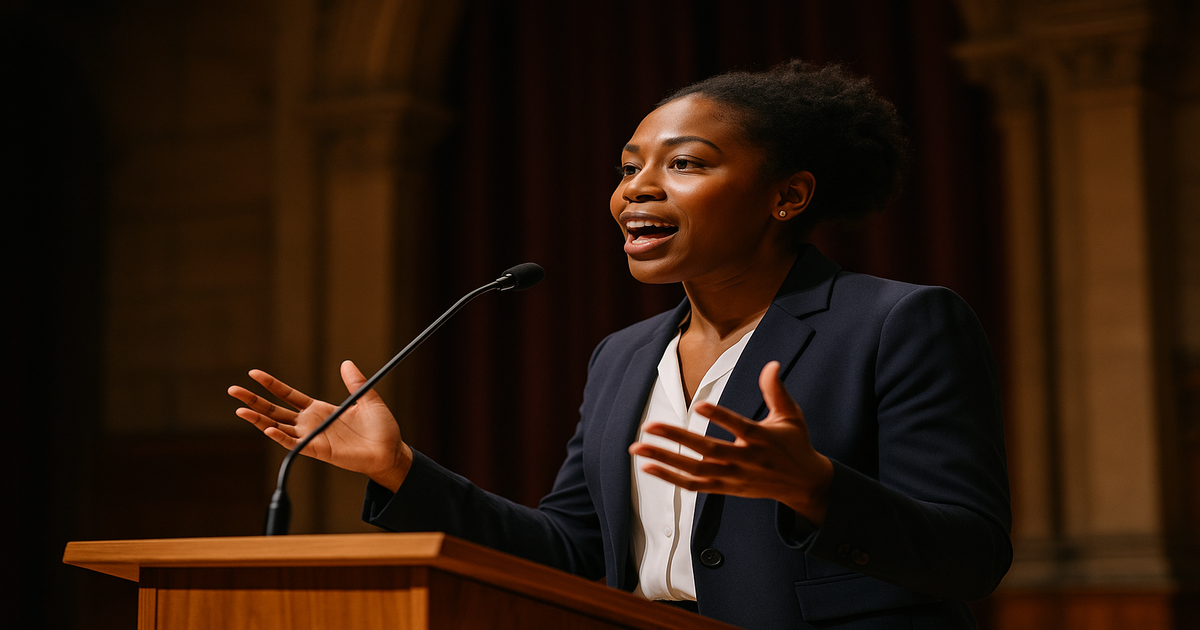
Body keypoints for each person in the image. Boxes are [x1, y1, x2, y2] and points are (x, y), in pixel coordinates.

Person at [230, 60, 1011, 629]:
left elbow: (971, 556)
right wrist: (400, 474)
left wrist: (816, 488)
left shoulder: (897, 323)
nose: (637, 188)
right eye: (630, 167)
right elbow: (570, 550)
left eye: (684, 164)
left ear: (788, 195)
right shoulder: (623, 357)